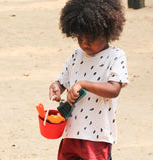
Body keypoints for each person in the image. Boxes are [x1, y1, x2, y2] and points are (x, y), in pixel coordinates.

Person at [49, 0, 129, 159]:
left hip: (97, 135)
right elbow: (61, 81)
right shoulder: (75, 56)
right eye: (80, 37)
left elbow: (114, 90)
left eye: (91, 38)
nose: (84, 43)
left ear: (106, 31)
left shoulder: (115, 56)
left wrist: (83, 84)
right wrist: (56, 87)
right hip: (71, 131)